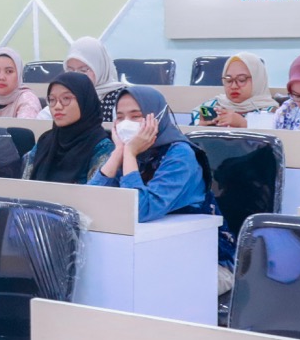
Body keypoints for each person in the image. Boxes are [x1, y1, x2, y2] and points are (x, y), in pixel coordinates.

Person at [90, 85, 235, 290]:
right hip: (155, 254)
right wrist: (117, 154)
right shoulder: (133, 151)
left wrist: (129, 154)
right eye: (120, 117)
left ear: (156, 118)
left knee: (143, 289)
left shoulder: (181, 155)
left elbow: (140, 210)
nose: (126, 123)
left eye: (136, 116)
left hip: (206, 262)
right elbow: (92, 201)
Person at [25, 73, 114, 184]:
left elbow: (97, 192)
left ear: (84, 100)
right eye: (52, 100)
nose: (57, 106)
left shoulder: (101, 146)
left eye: (66, 98)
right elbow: (24, 185)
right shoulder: (45, 141)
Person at [38, 36, 123, 122]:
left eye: (83, 70)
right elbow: (41, 121)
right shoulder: (64, 95)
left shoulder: (120, 98)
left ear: (100, 68)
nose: (76, 75)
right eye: (70, 70)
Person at [189, 53, 278, 127]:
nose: (234, 86)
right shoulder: (213, 106)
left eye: (241, 80)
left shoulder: (272, 113)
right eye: (228, 80)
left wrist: (243, 124)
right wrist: (200, 130)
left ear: (257, 80)